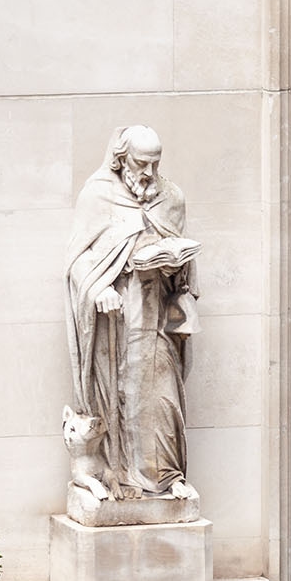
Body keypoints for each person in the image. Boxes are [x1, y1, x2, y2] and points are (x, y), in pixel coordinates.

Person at [65, 125, 201, 501]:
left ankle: (166, 477)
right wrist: (98, 288)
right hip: (117, 322)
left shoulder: (170, 197)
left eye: (156, 164)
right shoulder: (97, 195)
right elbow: (76, 262)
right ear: (122, 157)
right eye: (142, 163)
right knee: (119, 396)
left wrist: (176, 265)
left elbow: (183, 267)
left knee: (164, 398)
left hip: (159, 314)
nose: (149, 172)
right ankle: (118, 479)